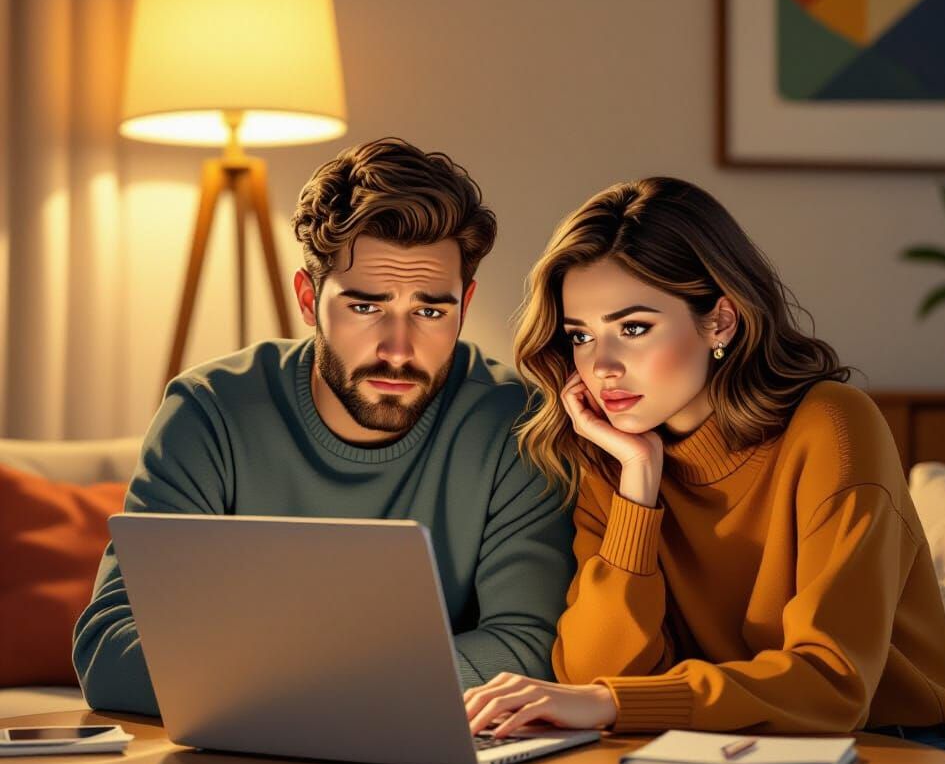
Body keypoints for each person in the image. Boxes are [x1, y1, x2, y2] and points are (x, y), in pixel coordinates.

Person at [464, 177, 945, 764]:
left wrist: (607, 702)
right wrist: (639, 489)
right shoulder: (609, 461)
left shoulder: (833, 426)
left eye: (634, 328)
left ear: (720, 322)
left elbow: (833, 683)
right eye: (581, 335)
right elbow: (600, 672)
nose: (602, 367)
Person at [73, 137, 574, 717]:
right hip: (248, 759)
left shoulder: (517, 424)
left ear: (466, 301)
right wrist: (344, 693)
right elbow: (110, 645)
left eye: (431, 310)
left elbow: (528, 648)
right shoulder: (208, 411)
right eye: (366, 306)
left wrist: (271, 686)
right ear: (309, 299)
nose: (398, 349)